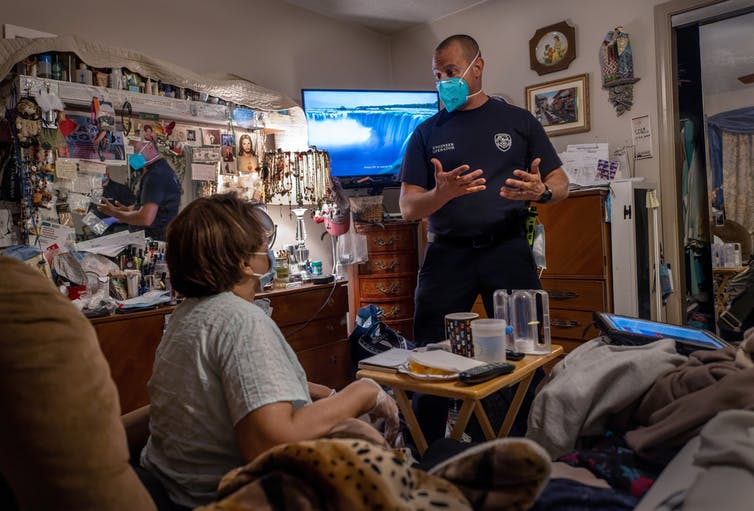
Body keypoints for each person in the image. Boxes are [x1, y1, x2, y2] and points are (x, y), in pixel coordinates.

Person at [139, 193, 399, 509]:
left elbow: (229, 388)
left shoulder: (185, 317)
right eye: (261, 243)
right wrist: (365, 392)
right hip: (228, 497)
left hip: (174, 490)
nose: (268, 249)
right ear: (246, 263)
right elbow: (271, 441)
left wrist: (322, 393)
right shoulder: (241, 321)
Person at [398, 34, 569, 444]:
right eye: (438, 76)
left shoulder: (520, 122)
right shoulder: (425, 133)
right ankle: (426, 447)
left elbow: (560, 184)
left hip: (506, 250)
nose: (444, 83)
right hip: (447, 255)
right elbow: (407, 208)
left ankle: (526, 440)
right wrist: (441, 194)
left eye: (451, 73)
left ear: (477, 66)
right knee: (430, 354)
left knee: (526, 350)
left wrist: (540, 192)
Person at [97, 141, 181, 241]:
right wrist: (127, 210)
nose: (133, 156)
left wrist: (114, 214)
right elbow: (149, 206)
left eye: (135, 150)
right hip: (149, 236)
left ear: (149, 146)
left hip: (153, 239)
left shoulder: (156, 175)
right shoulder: (160, 170)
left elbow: (145, 218)